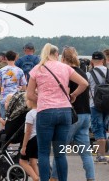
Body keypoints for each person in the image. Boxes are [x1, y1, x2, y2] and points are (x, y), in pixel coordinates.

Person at [26, 43, 88, 181]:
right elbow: (84, 83)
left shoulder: (37, 69)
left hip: (45, 112)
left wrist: (42, 99)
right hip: (65, 111)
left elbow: (29, 95)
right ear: (57, 54)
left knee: (43, 152)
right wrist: (74, 95)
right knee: (60, 153)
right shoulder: (65, 67)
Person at [50, 47, 94, 181]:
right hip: (86, 114)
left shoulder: (67, 72)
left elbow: (64, 93)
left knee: (60, 150)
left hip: (72, 115)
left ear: (63, 58)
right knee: (86, 152)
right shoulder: (83, 72)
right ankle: (91, 178)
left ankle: (54, 178)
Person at [86, 51, 109, 164]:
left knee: (97, 128)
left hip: (95, 105)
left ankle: (101, 155)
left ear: (92, 61)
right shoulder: (108, 71)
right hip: (107, 104)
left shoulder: (89, 74)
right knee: (105, 127)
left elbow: (86, 89)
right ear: (103, 60)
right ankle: (104, 154)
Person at [0, 50, 27, 118]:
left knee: (4, 120)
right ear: (15, 58)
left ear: (6, 58)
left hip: (4, 99)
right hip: (16, 100)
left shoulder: (1, 70)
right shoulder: (20, 71)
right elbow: (24, 88)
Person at [19, 98, 39, 181]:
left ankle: (35, 178)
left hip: (31, 139)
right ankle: (37, 177)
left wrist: (24, 146)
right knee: (33, 161)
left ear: (31, 101)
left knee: (22, 161)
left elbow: (28, 131)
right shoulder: (41, 112)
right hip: (38, 138)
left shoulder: (30, 114)